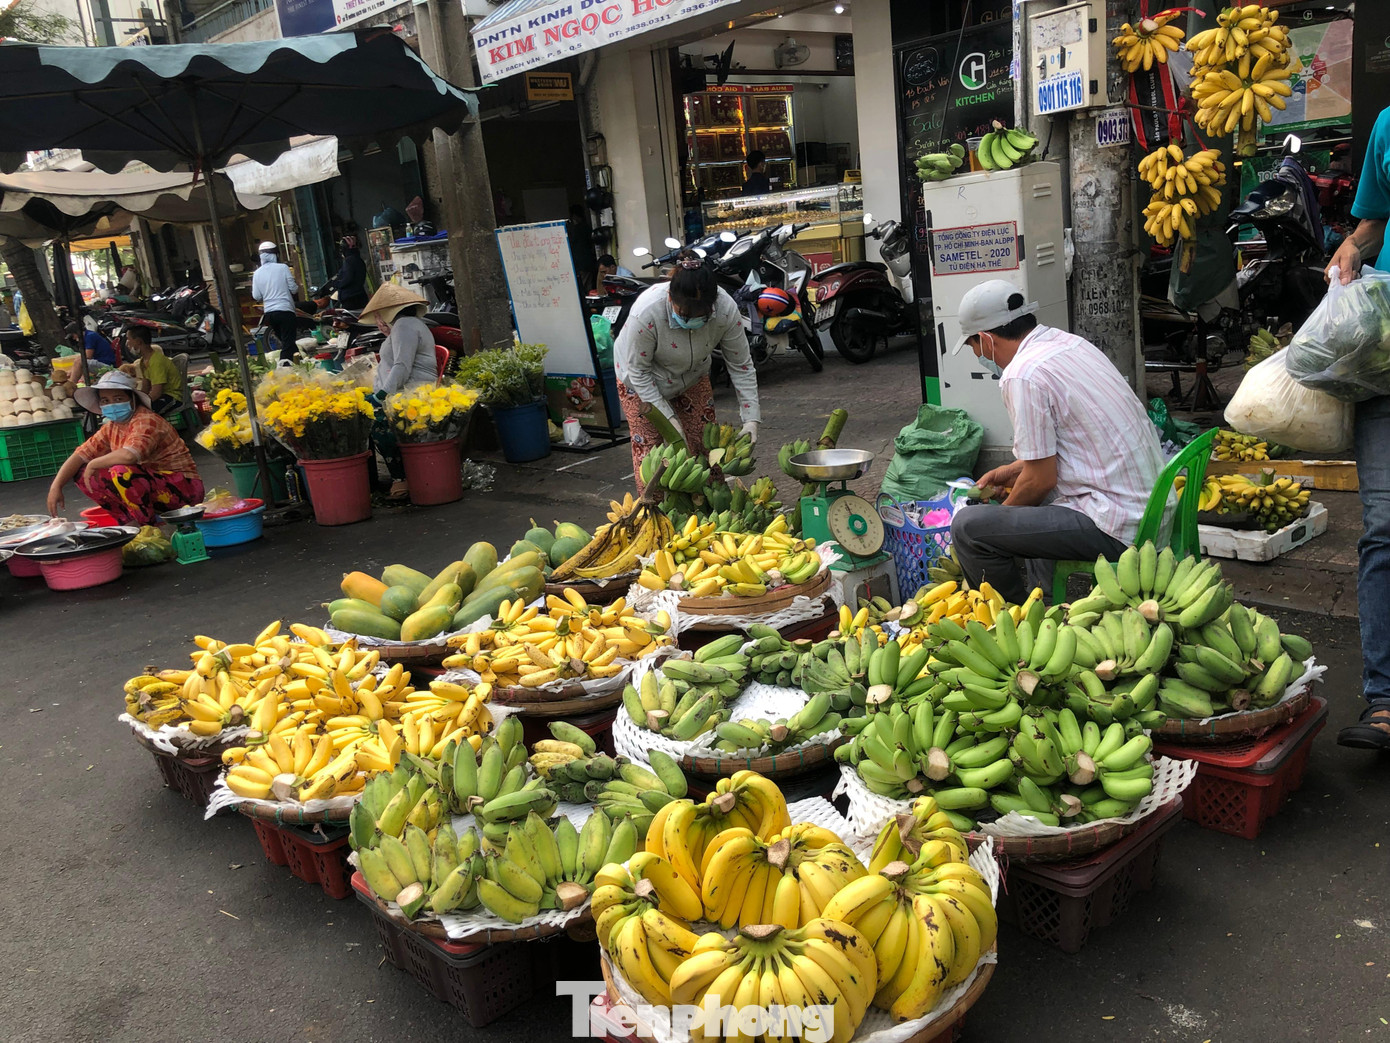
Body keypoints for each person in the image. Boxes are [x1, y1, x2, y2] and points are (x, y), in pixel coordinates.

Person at [948, 280, 1165, 605]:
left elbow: (1040, 480)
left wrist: (1001, 521)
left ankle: (1015, 622)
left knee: (968, 527)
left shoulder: (1022, 374)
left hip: (1120, 524)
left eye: (973, 347)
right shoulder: (1069, 344)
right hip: (1150, 507)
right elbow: (1077, 438)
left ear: (985, 339)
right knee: (1032, 505)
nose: (978, 355)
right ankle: (1047, 601)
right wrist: (1014, 470)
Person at [1325, 104, 1390, 750]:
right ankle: (1386, 697)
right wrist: (1349, 253)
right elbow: (1374, 221)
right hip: (1384, 349)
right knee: (1384, 524)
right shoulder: (1389, 125)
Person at [614, 250, 759, 489]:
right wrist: (669, 420)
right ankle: (658, 517)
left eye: (702, 315)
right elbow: (638, 372)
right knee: (653, 455)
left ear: (713, 305)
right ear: (671, 298)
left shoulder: (725, 310)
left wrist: (751, 418)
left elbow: (741, 365)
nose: (693, 320)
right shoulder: (647, 312)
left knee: (707, 449)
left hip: (693, 376)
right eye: (685, 314)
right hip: (640, 381)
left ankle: (711, 511)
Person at [46, 371, 202, 525]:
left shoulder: (146, 420)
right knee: (81, 473)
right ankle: (128, 521)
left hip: (183, 489)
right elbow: (80, 455)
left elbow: (129, 456)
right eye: (105, 400)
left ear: (133, 400)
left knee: (122, 471)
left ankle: (147, 525)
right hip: (150, 486)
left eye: (118, 399)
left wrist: (94, 463)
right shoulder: (112, 427)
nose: (112, 404)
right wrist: (56, 486)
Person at [359, 283, 438, 498]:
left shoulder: (405, 326)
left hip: (413, 394)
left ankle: (400, 477)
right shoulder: (406, 326)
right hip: (403, 393)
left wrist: (380, 397)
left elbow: (402, 366)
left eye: (379, 316)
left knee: (378, 423)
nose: (378, 322)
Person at [251, 240, 299, 352]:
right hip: (286, 310)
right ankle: (284, 365)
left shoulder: (257, 273)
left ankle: (299, 361)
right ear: (275, 255)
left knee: (286, 342)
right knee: (288, 343)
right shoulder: (283, 268)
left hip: (270, 314)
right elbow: (294, 289)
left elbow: (256, 296)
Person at [126, 324, 182, 415]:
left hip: (172, 397)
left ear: (139, 342)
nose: (127, 343)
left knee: (141, 413)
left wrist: (140, 404)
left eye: (128, 339)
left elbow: (157, 392)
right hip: (161, 396)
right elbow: (145, 387)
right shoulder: (142, 361)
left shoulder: (156, 361)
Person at [321, 235, 370, 312]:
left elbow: (347, 279)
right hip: (360, 296)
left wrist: (335, 284)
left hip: (351, 299)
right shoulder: (359, 260)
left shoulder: (349, 261)